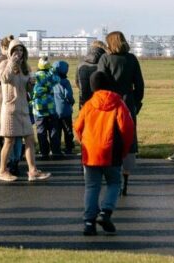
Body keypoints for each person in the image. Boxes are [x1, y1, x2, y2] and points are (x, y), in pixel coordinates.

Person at [74, 71, 134, 236]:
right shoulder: (118, 103)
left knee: (92, 186)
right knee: (114, 183)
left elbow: (77, 126)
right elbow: (127, 128)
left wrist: (84, 141)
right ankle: (105, 212)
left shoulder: (88, 105)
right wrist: (125, 149)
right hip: (112, 150)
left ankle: (88, 223)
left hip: (91, 151)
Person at [0, 40, 52, 182]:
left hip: (23, 107)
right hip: (10, 109)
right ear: (10, 51)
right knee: (9, 141)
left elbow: (27, 89)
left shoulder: (25, 66)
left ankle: (32, 170)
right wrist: (12, 63)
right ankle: (2, 171)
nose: (19, 53)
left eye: (21, 50)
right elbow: (4, 78)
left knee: (29, 139)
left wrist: (31, 85)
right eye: (16, 50)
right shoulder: (4, 64)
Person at [97, 31, 144, 195]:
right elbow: (139, 85)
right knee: (128, 141)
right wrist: (136, 104)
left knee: (110, 139)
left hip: (109, 104)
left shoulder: (105, 59)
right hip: (128, 102)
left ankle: (112, 180)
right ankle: (125, 182)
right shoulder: (131, 59)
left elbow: (100, 82)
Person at [32, 56, 61, 160]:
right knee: (53, 129)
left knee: (41, 130)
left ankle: (44, 152)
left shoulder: (35, 76)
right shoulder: (50, 76)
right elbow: (58, 80)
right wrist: (52, 71)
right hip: (50, 108)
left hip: (38, 109)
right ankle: (56, 151)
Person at [52, 61, 76, 155]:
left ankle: (56, 149)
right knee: (68, 130)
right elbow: (68, 95)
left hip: (54, 110)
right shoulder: (65, 82)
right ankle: (69, 148)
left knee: (56, 131)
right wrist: (72, 102)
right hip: (65, 111)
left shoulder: (52, 81)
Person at [76, 41, 107, 108]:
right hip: (100, 101)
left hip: (84, 100)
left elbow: (77, 82)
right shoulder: (105, 63)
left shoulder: (81, 64)